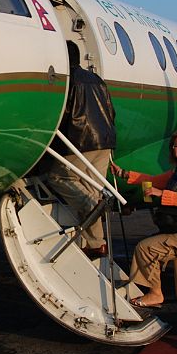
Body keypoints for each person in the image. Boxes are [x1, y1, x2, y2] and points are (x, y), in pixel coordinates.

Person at [111, 129, 177, 350]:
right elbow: (152, 180)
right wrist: (123, 174)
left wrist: (162, 195)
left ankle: (155, 293)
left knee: (146, 248)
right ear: (172, 150)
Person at [48, 42, 116, 257]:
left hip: (79, 141)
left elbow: (63, 112)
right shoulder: (96, 80)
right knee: (91, 187)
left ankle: (93, 213)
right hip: (104, 140)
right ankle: (95, 242)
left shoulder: (67, 81)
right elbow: (110, 110)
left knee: (59, 177)